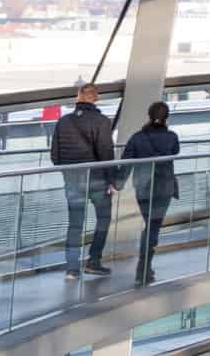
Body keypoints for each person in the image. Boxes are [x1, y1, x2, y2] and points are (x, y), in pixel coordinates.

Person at [50, 84, 117, 279]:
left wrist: (69, 173)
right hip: (97, 180)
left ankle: (72, 269)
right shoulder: (102, 122)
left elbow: (55, 156)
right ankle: (93, 261)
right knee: (103, 219)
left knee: (75, 225)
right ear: (96, 98)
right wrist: (112, 180)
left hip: (72, 180)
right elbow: (106, 154)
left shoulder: (63, 122)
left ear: (78, 96)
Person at [120, 101, 181, 285]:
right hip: (164, 188)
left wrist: (117, 184)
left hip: (143, 187)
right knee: (153, 227)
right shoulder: (171, 137)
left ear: (148, 115)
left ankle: (145, 268)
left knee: (150, 224)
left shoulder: (137, 137)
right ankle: (143, 269)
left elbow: (126, 161)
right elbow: (175, 151)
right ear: (166, 118)